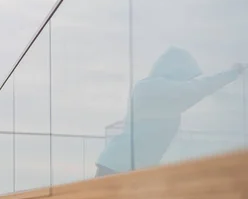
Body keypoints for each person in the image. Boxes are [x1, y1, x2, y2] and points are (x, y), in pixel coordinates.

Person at [95, 47, 245, 176]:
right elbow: (197, 88)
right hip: (118, 169)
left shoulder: (164, 97)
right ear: (176, 71)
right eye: (186, 77)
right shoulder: (151, 88)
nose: (187, 81)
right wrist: (232, 74)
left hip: (128, 169)